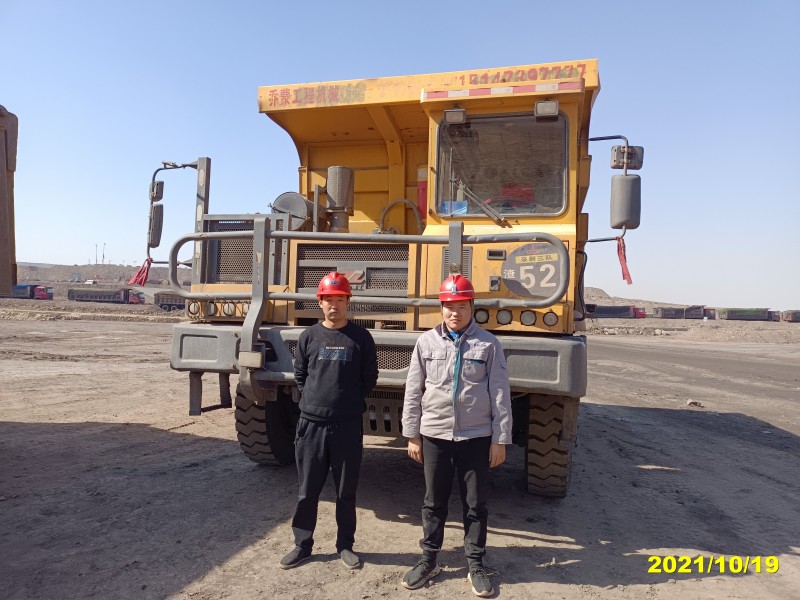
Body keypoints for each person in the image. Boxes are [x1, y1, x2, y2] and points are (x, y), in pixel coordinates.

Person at [401, 274, 512, 598]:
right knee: (433, 502)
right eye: (449, 306)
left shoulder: (488, 344)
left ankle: (475, 565)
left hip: (476, 437)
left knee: (475, 504)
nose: (455, 312)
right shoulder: (426, 343)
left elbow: (500, 394)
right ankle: (428, 560)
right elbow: (413, 390)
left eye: (461, 306)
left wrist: (499, 439)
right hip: (435, 435)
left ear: (471, 307)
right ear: (441, 308)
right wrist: (412, 434)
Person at [280, 272, 378, 571]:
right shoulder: (308, 336)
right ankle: (302, 545)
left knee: (346, 493)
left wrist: (344, 402)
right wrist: (316, 401)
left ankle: (345, 545)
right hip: (311, 427)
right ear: (320, 303)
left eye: (340, 299)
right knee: (307, 492)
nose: (334, 305)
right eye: (328, 300)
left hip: (347, 426)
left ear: (348, 302)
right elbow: (300, 375)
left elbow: (369, 378)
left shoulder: (361, 338)